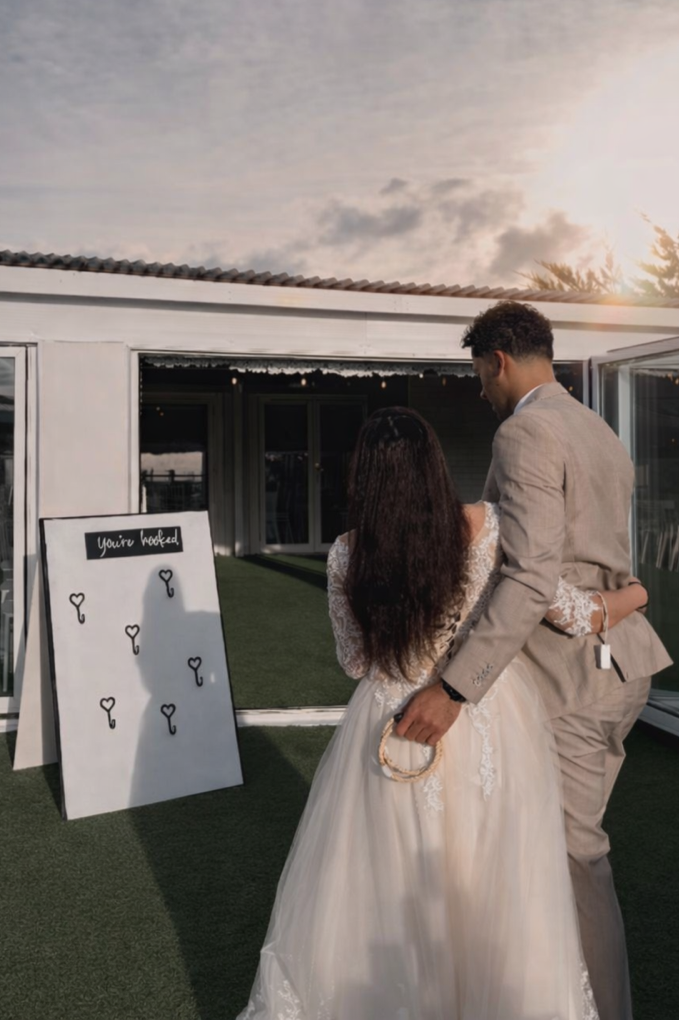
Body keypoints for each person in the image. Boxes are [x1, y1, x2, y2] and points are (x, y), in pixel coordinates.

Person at [236, 405, 649, 1020]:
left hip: (392, 721)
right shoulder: (488, 529)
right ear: (434, 464)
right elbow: (561, 607)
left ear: (364, 478)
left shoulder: (347, 554)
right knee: (494, 880)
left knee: (387, 884)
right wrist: (635, 594)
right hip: (486, 718)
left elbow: (353, 662)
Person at [396, 302, 672, 1020]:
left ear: (497, 362)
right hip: (613, 660)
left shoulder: (523, 433)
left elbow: (525, 573)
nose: (481, 393)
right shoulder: (597, 429)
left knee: (574, 859)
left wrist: (454, 690)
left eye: (479, 378)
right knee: (542, 853)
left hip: (576, 676)